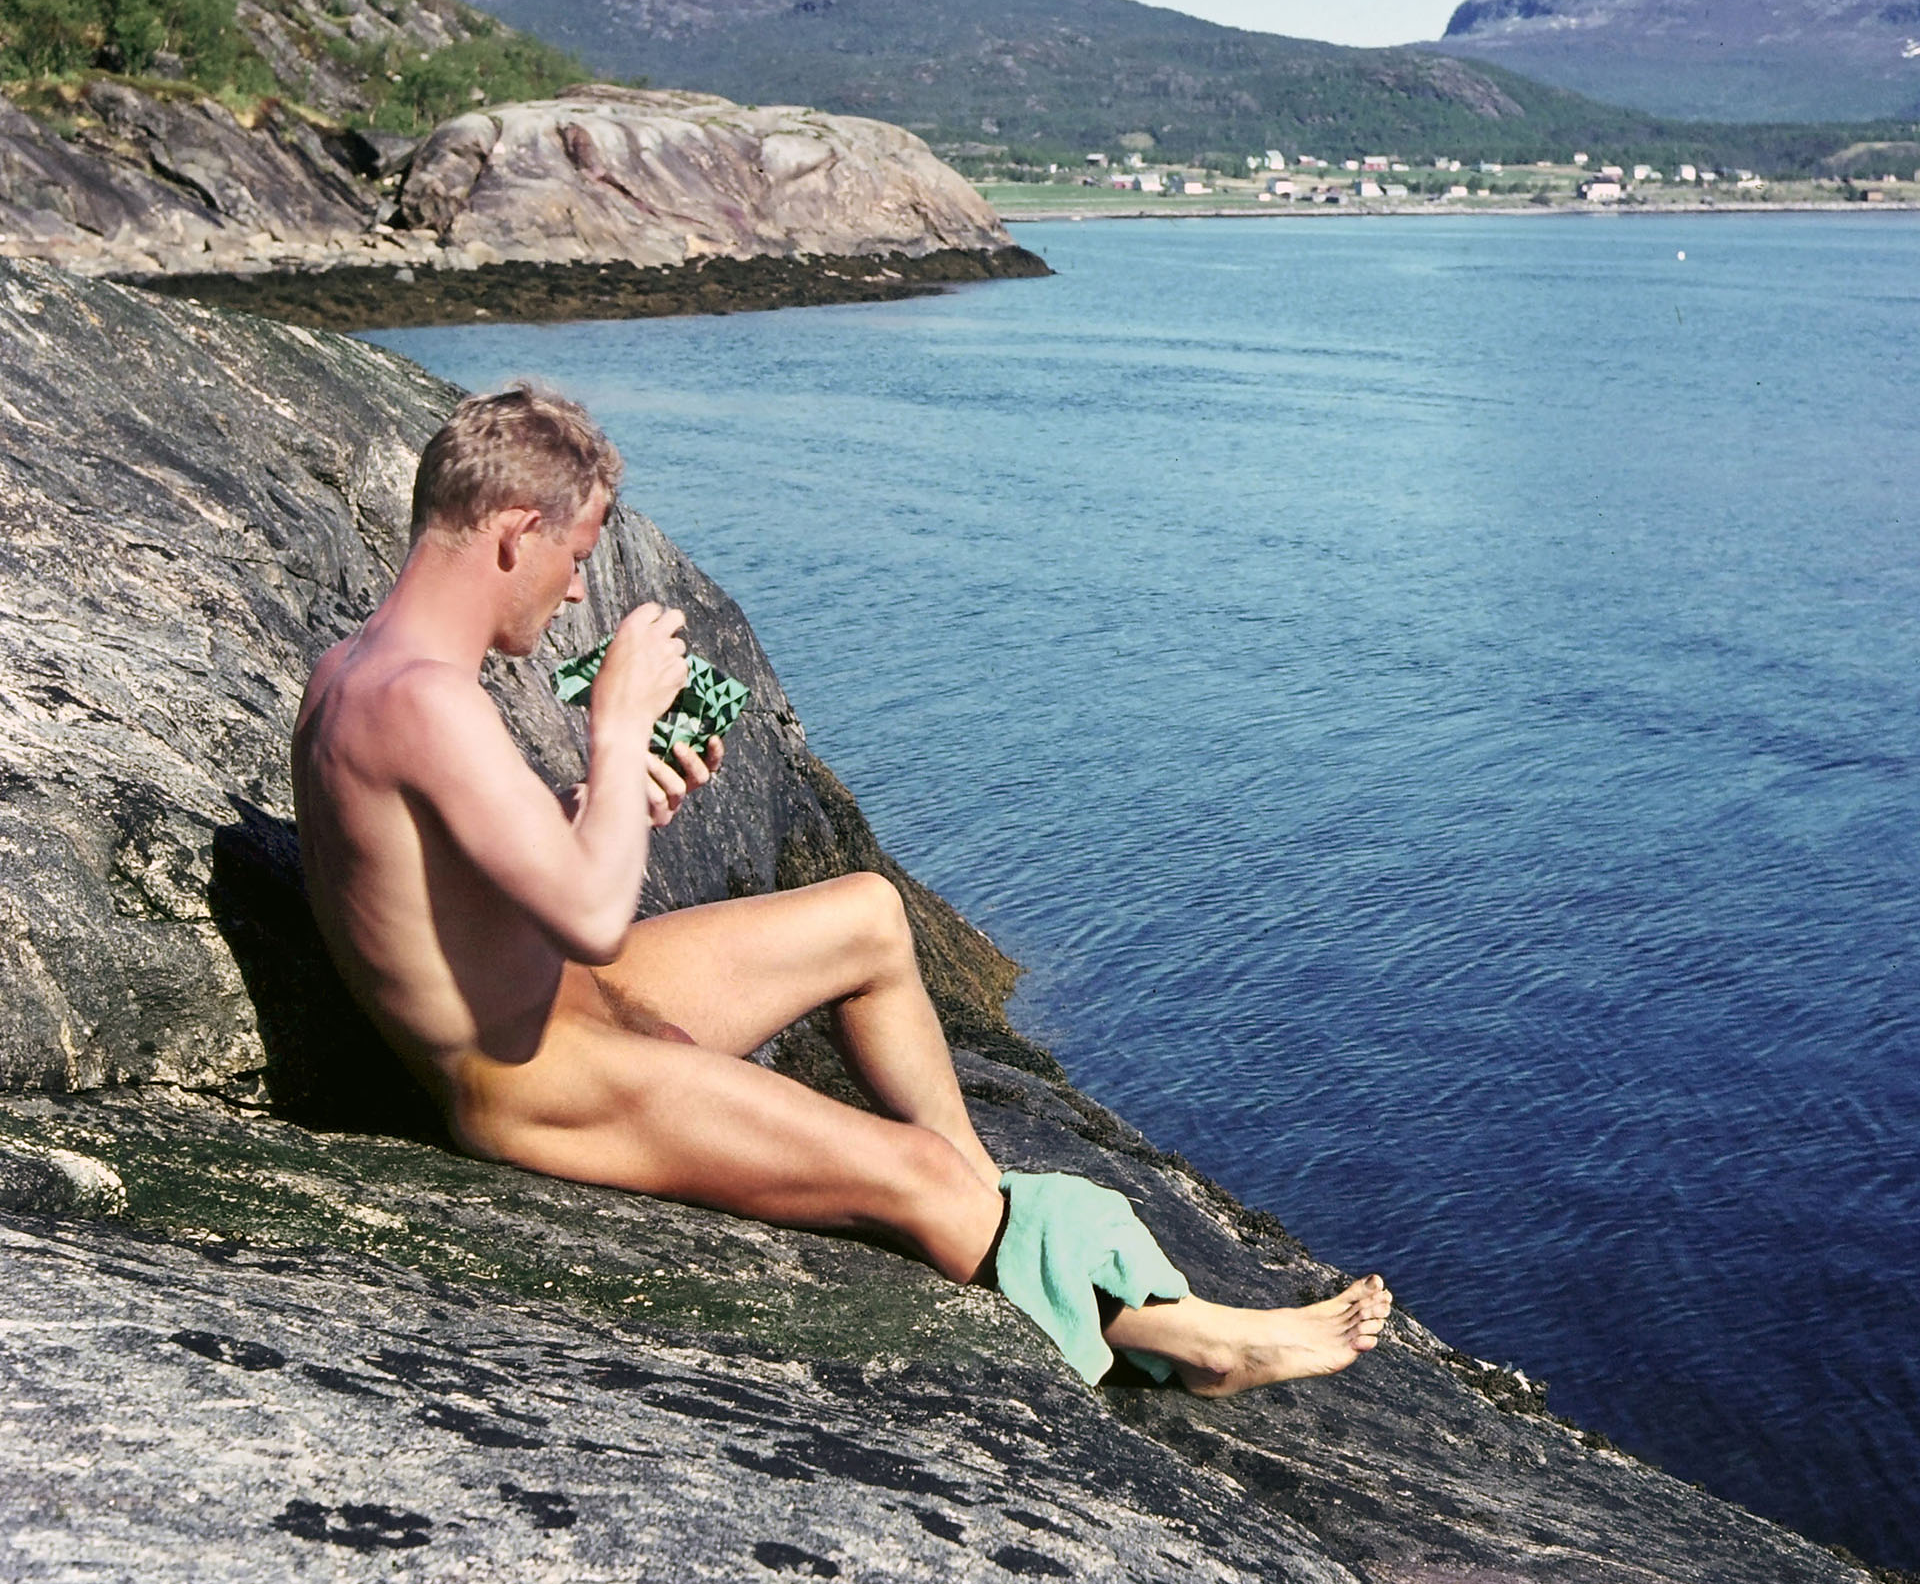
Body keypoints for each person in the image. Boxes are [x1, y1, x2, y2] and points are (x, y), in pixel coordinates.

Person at [293, 381, 1391, 1394]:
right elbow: (588, 911)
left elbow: (489, 880)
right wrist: (621, 731)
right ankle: (1183, 1340)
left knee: (867, 915)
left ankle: (989, 1219)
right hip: (528, 1081)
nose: (578, 584)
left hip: (564, 1001)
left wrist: (606, 799)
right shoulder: (423, 702)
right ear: (516, 532)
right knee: (910, 1175)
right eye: (574, 555)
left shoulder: (364, 671)